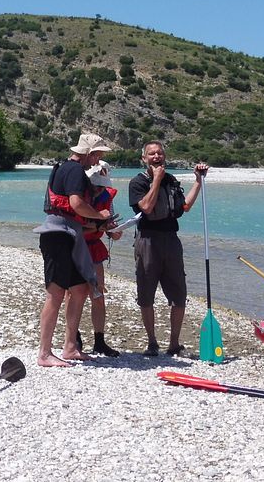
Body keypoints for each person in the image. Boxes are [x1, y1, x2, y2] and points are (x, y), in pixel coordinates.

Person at [33, 134, 115, 367]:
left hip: (70, 235)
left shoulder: (66, 168)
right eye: (97, 155)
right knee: (56, 293)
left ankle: (70, 347)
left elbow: (73, 208)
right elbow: (76, 204)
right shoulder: (75, 170)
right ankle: (44, 353)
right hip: (58, 236)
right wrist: (99, 215)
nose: (97, 160)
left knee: (79, 289)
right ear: (88, 153)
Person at [128, 140, 209, 356]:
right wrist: (156, 179)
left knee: (179, 294)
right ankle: (152, 343)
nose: (156, 157)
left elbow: (184, 207)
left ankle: (174, 344)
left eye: (160, 153)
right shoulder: (137, 183)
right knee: (146, 294)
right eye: (151, 154)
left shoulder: (171, 181)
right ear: (144, 158)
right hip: (147, 241)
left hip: (171, 240)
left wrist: (198, 182)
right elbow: (146, 207)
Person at [72, 161, 123, 357]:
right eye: (96, 185)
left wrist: (114, 231)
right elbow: (73, 227)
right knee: (73, 295)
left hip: (94, 248)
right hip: (76, 247)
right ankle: (73, 339)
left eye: (102, 185)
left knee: (98, 294)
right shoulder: (76, 196)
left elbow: (110, 228)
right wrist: (98, 226)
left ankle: (99, 341)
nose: (99, 189)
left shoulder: (106, 197)